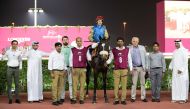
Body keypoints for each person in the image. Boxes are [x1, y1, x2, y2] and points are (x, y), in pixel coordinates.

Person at [107, 37, 133, 105]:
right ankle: (116, 99)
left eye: (121, 41)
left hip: (124, 69)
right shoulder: (113, 50)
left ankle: (123, 99)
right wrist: (106, 62)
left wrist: (131, 69)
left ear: (123, 42)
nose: (120, 42)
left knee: (124, 86)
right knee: (116, 86)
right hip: (116, 70)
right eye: (119, 41)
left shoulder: (127, 50)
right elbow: (110, 59)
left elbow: (129, 59)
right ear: (117, 42)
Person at [2, 40, 22, 104]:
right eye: (14, 44)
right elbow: (2, 59)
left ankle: (17, 98)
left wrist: (20, 68)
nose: (15, 45)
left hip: (16, 69)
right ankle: (10, 99)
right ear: (11, 44)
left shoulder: (19, 52)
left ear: (17, 45)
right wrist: (3, 54)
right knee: (9, 84)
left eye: (16, 44)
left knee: (17, 84)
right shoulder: (8, 52)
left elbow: (20, 61)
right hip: (9, 68)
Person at [169, 39, 189, 104]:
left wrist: (181, 69)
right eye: (175, 44)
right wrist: (170, 67)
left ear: (180, 44)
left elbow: (185, 61)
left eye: (177, 43)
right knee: (175, 84)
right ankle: (175, 98)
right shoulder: (174, 51)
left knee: (182, 85)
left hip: (182, 72)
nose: (176, 45)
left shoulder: (184, 51)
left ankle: (183, 99)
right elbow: (173, 60)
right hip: (175, 72)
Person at [129, 37, 148, 102]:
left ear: (138, 41)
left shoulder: (142, 47)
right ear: (131, 41)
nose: (135, 42)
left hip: (142, 68)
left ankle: (143, 97)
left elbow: (146, 58)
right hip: (134, 68)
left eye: (136, 41)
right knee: (134, 84)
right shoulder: (129, 49)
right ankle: (133, 97)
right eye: (133, 41)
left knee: (143, 83)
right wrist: (131, 68)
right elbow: (128, 59)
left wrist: (146, 67)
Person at [70, 37, 88, 104]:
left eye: (80, 41)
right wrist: (72, 68)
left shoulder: (86, 49)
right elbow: (70, 59)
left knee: (82, 85)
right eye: (78, 41)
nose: (79, 42)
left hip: (83, 69)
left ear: (82, 41)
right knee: (74, 84)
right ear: (76, 42)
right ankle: (74, 98)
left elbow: (88, 58)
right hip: (75, 69)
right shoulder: (73, 50)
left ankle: (81, 99)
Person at [60, 36, 73, 103]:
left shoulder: (72, 48)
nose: (65, 41)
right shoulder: (60, 48)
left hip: (70, 68)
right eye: (64, 40)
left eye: (66, 40)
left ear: (68, 40)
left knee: (71, 83)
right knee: (62, 83)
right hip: (63, 69)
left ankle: (72, 97)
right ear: (62, 41)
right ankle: (62, 98)